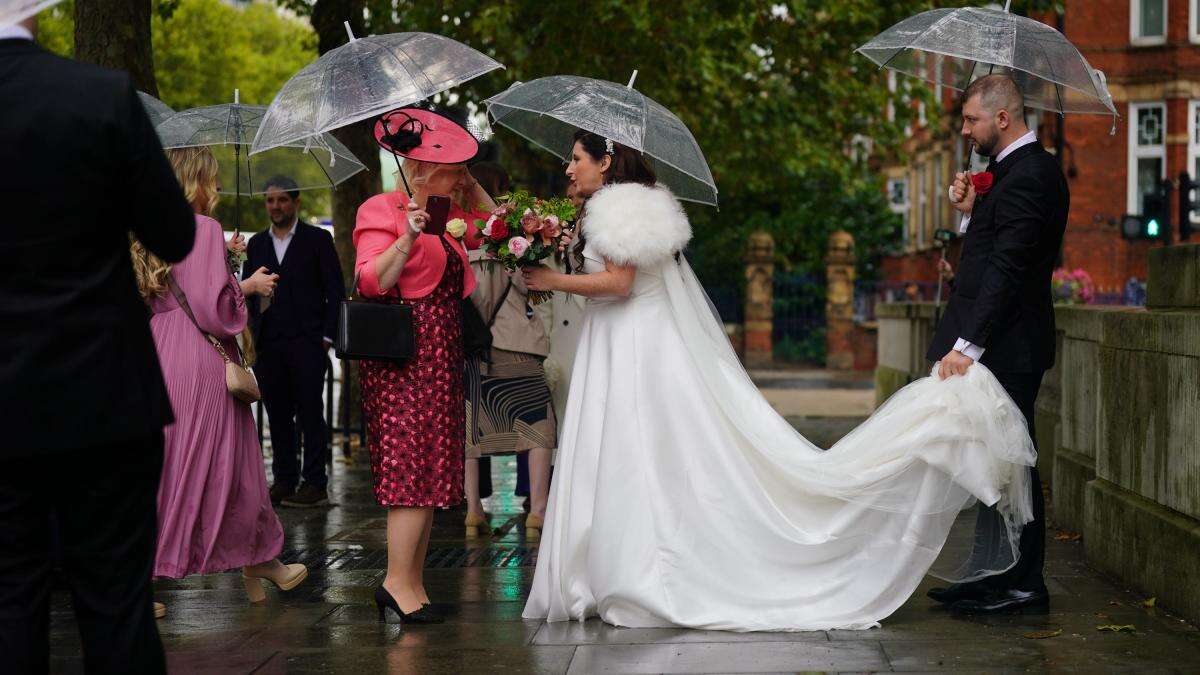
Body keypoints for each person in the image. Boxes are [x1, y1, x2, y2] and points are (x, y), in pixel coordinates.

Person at [518, 129, 1036, 631]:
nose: (569, 167)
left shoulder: (617, 205)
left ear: (606, 161)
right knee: (655, 458)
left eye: (577, 158)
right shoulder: (641, 199)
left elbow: (619, 283)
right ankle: (632, 562)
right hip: (638, 342)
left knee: (637, 455)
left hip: (631, 345)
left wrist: (551, 279)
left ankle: (635, 569)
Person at [0, 13, 194, 673]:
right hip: (103, 388)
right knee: (116, 601)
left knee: (7, 598)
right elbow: (174, 234)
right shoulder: (101, 95)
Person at [131, 146, 307, 614]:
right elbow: (215, 310)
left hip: (161, 350)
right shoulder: (204, 228)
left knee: (172, 463)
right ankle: (256, 558)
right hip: (201, 361)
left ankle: (259, 556)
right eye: (212, 179)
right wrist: (244, 288)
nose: (218, 188)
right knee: (219, 462)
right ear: (195, 183)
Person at [924, 74, 1067, 614]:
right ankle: (994, 572)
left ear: (1002, 118)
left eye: (971, 120)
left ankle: (1025, 583)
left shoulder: (1032, 173)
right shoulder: (1005, 172)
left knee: (1014, 464)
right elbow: (990, 246)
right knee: (991, 464)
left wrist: (968, 345)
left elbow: (1009, 269)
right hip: (997, 342)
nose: (966, 129)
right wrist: (969, 209)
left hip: (1009, 346)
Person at [354, 155, 496, 624]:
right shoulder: (382, 208)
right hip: (404, 358)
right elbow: (371, 281)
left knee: (433, 470)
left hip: (439, 356)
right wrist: (408, 234)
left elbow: (495, 230)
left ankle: (412, 582)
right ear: (419, 171)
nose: (459, 177)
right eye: (452, 170)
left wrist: (471, 187)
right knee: (410, 469)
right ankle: (395, 581)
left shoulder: (449, 217)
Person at [243, 175, 345, 508]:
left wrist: (326, 339)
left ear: (296, 202)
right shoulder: (256, 243)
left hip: (309, 343)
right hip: (269, 344)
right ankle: (284, 479)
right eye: (270, 200)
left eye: (282, 200)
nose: (276, 206)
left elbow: (335, 291)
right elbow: (246, 292)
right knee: (277, 413)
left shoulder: (317, 239)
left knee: (311, 413)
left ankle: (315, 483)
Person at [463, 247, 557, 540]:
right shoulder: (518, 252)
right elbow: (539, 293)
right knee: (538, 427)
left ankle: (473, 509)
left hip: (472, 345)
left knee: (471, 428)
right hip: (520, 344)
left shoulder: (461, 253)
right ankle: (537, 512)